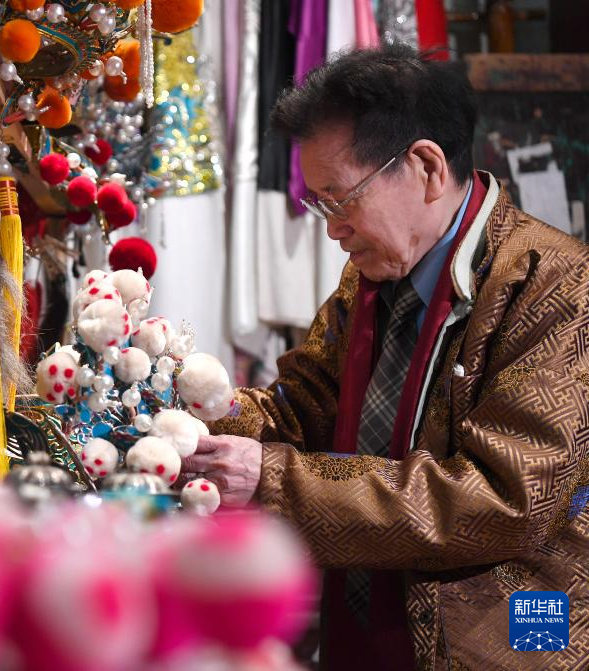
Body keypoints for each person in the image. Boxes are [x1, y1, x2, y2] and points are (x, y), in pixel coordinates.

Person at [186, 45, 589, 670]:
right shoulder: (373, 276)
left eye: (339, 199)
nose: (331, 229)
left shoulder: (557, 286)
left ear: (426, 167)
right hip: (365, 629)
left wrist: (272, 480)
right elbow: (304, 407)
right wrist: (192, 399)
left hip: (507, 640)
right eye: (318, 204)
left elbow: (504, 501)